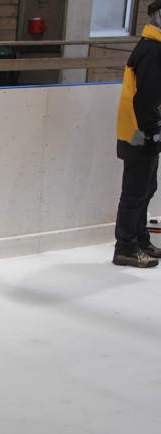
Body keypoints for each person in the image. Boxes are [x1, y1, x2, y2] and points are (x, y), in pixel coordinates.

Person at [113, 0, 161, 268]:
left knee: (147, 188)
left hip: (145, 132)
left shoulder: (154, 47)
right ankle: (126, 247)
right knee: (134, 193)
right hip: (139, 133)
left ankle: (140, 239)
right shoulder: (151, 50)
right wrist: (152, 129)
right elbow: (146, 98)